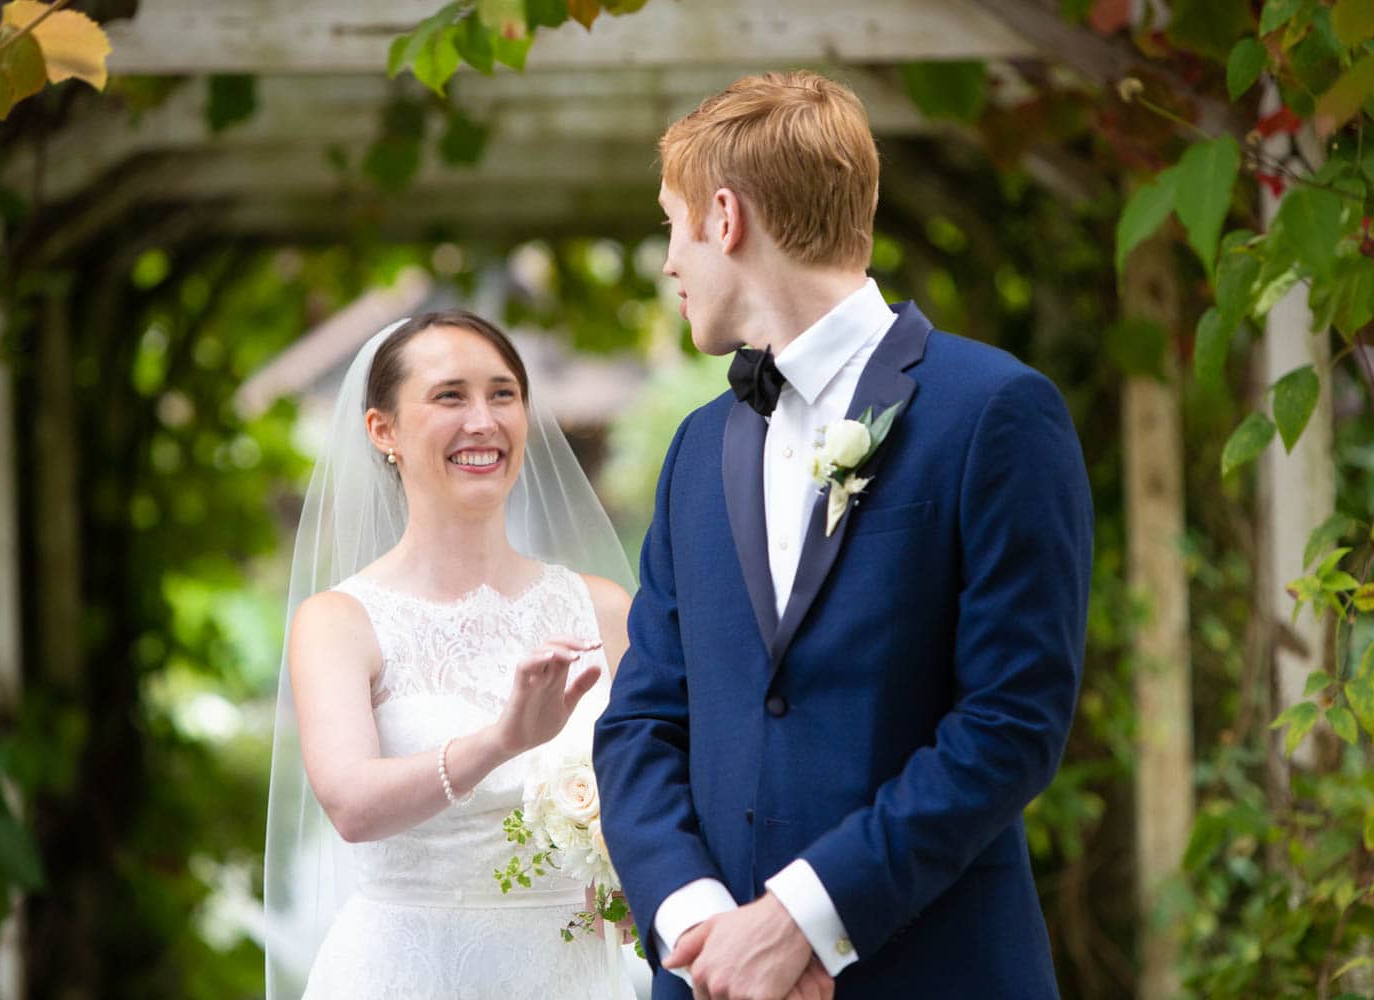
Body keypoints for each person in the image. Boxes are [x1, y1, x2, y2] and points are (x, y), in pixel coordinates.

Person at [593, 71, 1094, 999]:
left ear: (726, 217)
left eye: (672, 224)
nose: (669, 260)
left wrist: (804, 923)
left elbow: (1011, 721)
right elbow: (640, 723)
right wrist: (705, 930)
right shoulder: (697, 449)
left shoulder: (996, 412)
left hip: (933, 970)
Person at [262, 310, 638, 1000]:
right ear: (383, 431)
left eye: (503, 394)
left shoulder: (604, 608)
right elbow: (351, 805)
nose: (483, 421)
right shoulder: (338, 622)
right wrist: (501, 741)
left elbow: (662, 781)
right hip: (403, 975)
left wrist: (637, 890)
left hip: (573, 974)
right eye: (449, 396)